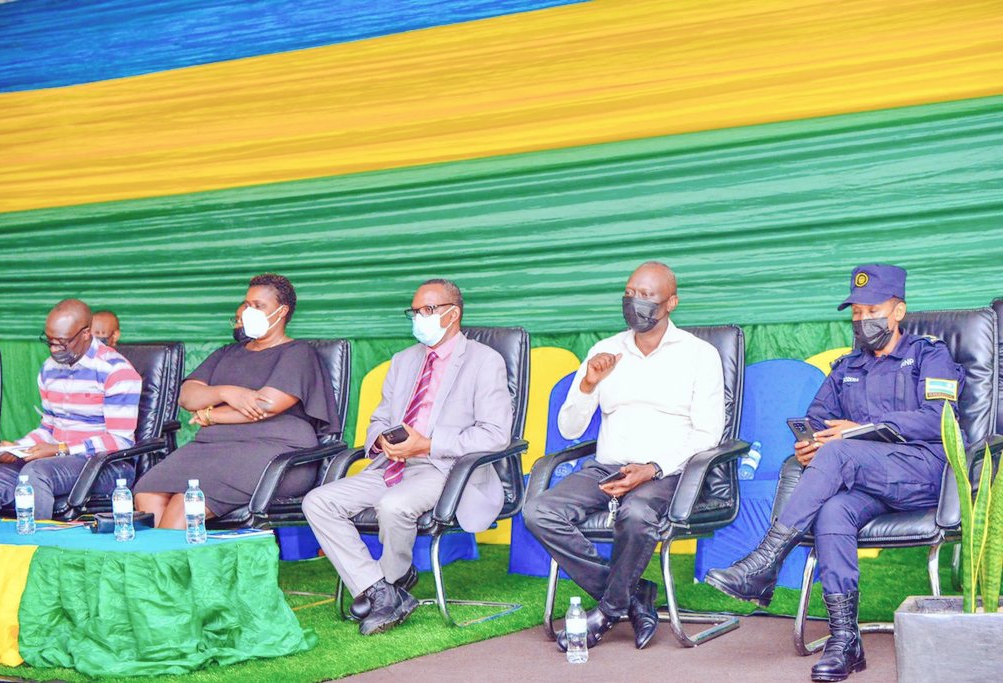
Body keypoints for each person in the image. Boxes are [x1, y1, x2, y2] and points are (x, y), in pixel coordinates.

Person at [705, 264, 964, 682]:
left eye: (873, 310)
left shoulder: (929, 355)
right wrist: (809, 445)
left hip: (922, 473)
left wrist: (857, 432)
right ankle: (845, 639)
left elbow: (940, 419)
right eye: (857, 313)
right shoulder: (847, 367)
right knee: (833, 511)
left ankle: (765, 561)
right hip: (866, 482)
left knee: (840, 451)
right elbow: (818, 418)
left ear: (898, 311)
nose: (863, 320)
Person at [524, 262, 725, 651]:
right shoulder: (606, 350)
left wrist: (652, 468)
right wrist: (587, 384)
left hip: (669, 472)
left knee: (636, 513)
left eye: (647, 295)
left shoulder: (700, 355)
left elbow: (707, 434)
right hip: (608, 467)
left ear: (671, 303)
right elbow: (569, 428)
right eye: (630, 293)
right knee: (539, 511)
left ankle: (608, 611)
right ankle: (634, 596)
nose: (635, 302)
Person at [303, 278, 513, 636]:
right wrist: (382, 441)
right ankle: (379, 589)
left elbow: (495, 434)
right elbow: (379, 419)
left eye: (428, 310)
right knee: (318, 502)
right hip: (393, 464)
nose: (419, 318)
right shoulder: (403, 361)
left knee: (394, 505)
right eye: (414, 311)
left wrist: (427, 445)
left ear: (453, 314)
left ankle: (390, 581)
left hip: (446, 468)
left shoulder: (484, 361)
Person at [134, 274, 337, 528]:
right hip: (209, 448)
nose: (249, 311)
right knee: (147, 492)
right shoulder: (227, 353)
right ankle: (172, 553)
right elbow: (187, 395)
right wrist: (226, 392)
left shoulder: (298, 353)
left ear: (282, 311)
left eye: (259, 305)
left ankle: (167, 554)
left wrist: (211, 415)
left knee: (185, 503)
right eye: (247, 304)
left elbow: (266, 405)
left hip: (276, 452)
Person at [0, 299, 142, 520]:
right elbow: (49, 426)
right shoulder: (49, 369)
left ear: (86, 333)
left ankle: (37, 541)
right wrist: (20, 447)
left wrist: (60, 449)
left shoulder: (116, 371)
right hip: (54, 459)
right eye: (50, 341)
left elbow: (120, 440)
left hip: (106, 465)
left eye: (62, 342)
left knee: (36, 473)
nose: (54, 348)